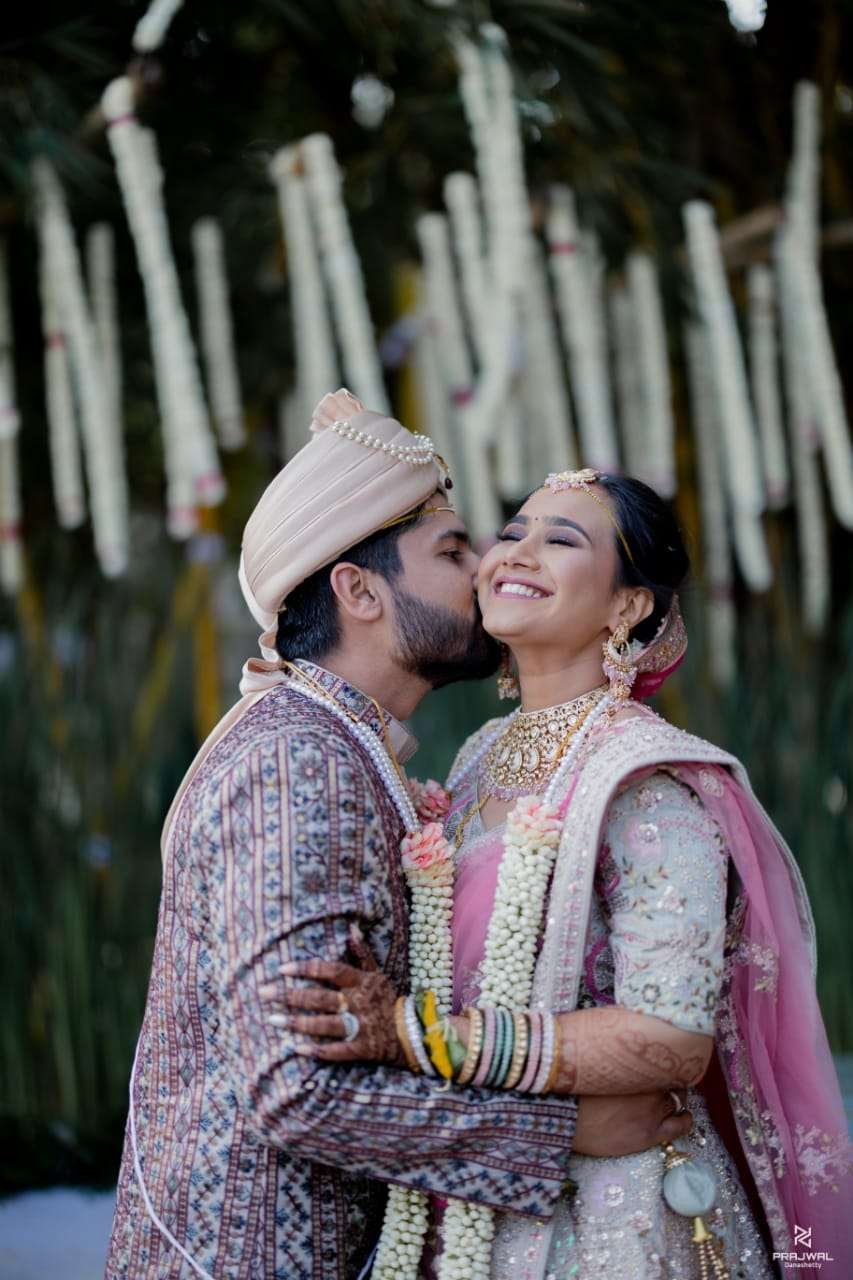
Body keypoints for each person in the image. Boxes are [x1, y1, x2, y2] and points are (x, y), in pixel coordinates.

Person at [105, 399, 692, 1280]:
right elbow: (295, 1088)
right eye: (452, 552)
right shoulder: (297, 761)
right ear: (360, 591)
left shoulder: (355, 749)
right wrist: (562, 1132)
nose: (486, 566)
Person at [285, 466, 853, 1279]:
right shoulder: (478, 756)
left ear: (627, 606)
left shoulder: (645, 782)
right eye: (511, 533)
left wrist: (417, 1035)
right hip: (473, 1194)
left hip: (612, 1216)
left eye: (561, 540)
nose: (516, 553)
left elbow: (669, 1039)